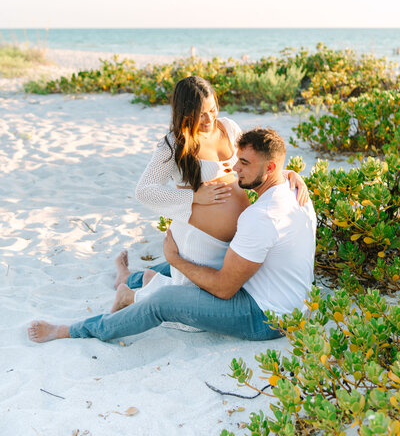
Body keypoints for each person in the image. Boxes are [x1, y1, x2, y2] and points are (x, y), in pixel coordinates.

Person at [28, 127, 316, 344]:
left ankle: (74, 330)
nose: (234, 168)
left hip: (265, 318)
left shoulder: (260, 216)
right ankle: (128, 279)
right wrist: (291, 172)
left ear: (270, 168)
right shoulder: (295, 191)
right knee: (191, 262)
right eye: (236, 159)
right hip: (291, 302)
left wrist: (174, 258)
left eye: (244, 163)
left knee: (164, 299)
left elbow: (224, 289)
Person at [112, 76, 308, 315]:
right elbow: (144, 191)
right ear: (185, 112)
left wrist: (286, 172)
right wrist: (194, 197)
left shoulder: (228, 127)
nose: (209, 119)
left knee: (216, 293)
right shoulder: (173, 145)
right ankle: (128, 294)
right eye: (201, 114)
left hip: (237, 239)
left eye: (213, 110)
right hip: (199, 240)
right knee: (194, 305)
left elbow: (253, 161)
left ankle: (138, 278)